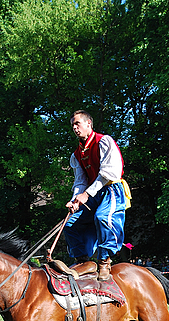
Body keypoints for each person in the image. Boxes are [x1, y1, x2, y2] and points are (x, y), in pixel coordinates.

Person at [64, 110, 131, 280]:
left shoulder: (104, 141)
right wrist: (75, 200)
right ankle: (83, 261)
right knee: (69, 223)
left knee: (103, 217)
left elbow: (109, 173)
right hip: (93, 194)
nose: (74, 127)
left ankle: (104, 261)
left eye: (77, 123)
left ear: (89, 124)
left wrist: (86, 194)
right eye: (72, 124)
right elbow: (80, 181)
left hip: (111, 189)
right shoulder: (77, 154)